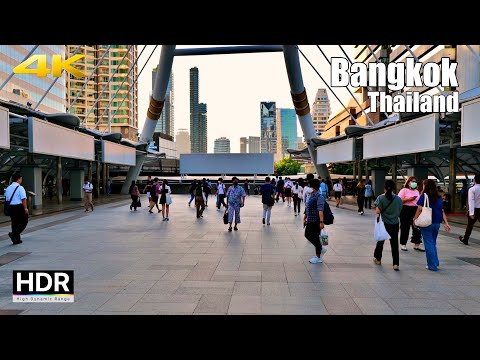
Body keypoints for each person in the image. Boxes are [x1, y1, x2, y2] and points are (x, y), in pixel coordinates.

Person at [413, 179, 451, 271]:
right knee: (433, 243)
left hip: (427, 223)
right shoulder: (439, 197)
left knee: (429, 244)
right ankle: (435, 262)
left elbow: (419, 209)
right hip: (437, 223)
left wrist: (415, 219)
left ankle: (432, 265)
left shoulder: (424, 196)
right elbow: (442, 211)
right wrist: (446, 223)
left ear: (425, 186)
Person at [373, 180, 403, 271]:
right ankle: (396, 264)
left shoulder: (380, 198)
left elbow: (378, 212)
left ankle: (378, 259)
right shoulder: (398, 199)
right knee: (394, 244)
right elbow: (400, 210)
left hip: (384, 223)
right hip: (395, 223)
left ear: (384, 188)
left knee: (380, 241)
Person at [303, 179, 327, 264]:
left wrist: (321, 222)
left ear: (313, 187)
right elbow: (308, 206)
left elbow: (320, 210)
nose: (309, 187)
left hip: (315, 221)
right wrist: (305, 216)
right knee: (308, 235)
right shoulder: (312, 195)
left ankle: (318, 256)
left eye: (310, 185)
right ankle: (320, 249)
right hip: (310, 220)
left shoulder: (319, 196)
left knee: (313, 236)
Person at [398, 176, 423, 252]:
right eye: (412, 181)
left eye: (415, 181)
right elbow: (399, 200)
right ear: (408, 182)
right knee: (405, 227)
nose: (414, 183)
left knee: (417, 227)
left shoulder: (417, 191)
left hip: (415, 209)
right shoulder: (404, 190)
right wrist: (408, 199)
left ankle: (417, 244)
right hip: (406, 209)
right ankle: (403, 244)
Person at [5, 174, 28, 244]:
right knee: (24, 222)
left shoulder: (8, 188)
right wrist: (25, 208)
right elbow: (23, 199)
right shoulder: (20, 188)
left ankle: (16, 239)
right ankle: (14, 234)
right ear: (18, 179)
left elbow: (7, 198)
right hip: (19, 207)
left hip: (11, 207)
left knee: (14, 222)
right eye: (21, 179)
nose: (21, 180)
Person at [459, 174, 480, 245]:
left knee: (470, 225)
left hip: (475, 209)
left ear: (474, 180)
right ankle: (465, 238)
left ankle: (465, 239)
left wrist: (471, 213)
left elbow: (471, 201)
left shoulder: (472, 189)